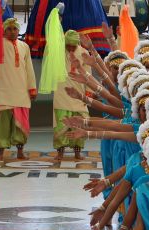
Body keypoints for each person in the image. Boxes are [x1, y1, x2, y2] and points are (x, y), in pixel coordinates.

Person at [0, 18, 37, 161]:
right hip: (3, 91)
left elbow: (29, 69)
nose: (12, 31)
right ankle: (0, 152)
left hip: (21, 92)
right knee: (2, 124)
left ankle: (20, 151)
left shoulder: (24, 46)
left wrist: (32, 88)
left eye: (15, 29)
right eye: (9, 29)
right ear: (3, 31)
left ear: (18, 30)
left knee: (21, 123)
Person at [52, 30, 91, 160]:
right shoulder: (58, 52)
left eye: (72, 46)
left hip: (79, 94)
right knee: (61, 123)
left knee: (80, 122)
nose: (70, 48)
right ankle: (60, 152)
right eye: (67, 45)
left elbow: (88, 75)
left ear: (77, 43)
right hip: (62, 93)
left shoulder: (84, 53)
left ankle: (77, 152)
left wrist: (89, 93)